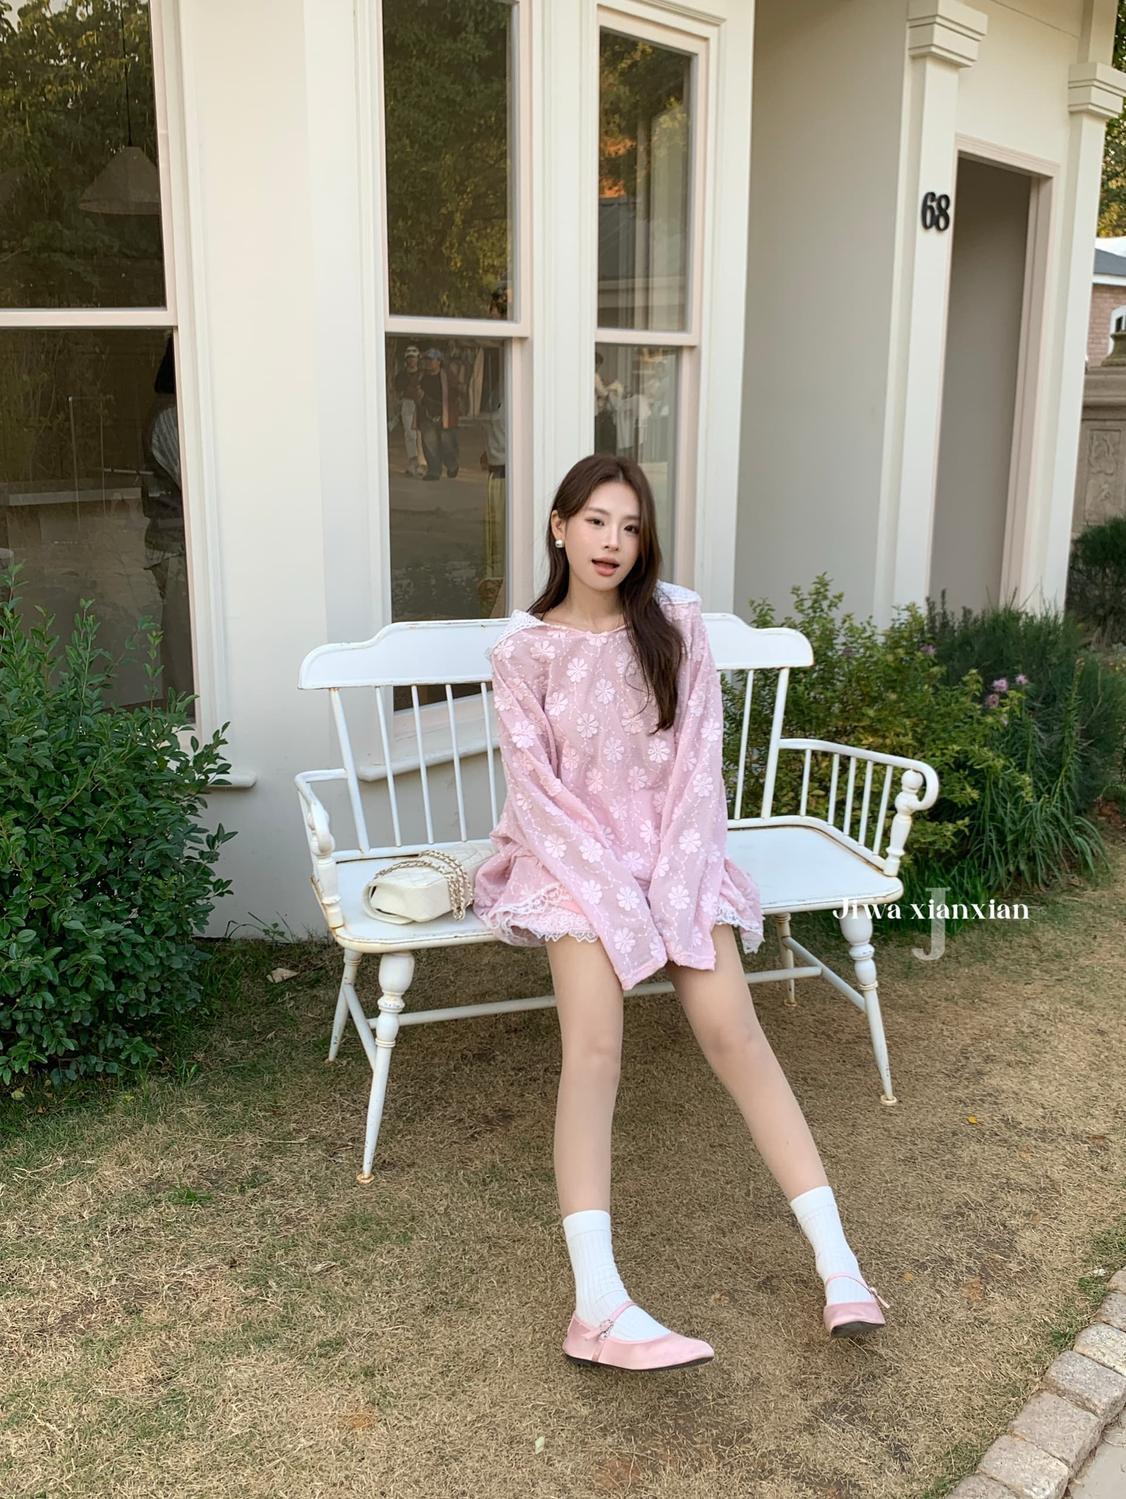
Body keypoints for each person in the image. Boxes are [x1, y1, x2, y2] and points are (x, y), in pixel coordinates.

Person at [472, 453, 889, 1372]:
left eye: (630, 526)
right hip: (573, 865)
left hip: (678, 855)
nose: (612, 542)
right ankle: (596, 1308)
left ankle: (841, 1265)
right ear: (558, 527)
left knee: (736, 1032)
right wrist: (622, 907)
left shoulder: (678, 625)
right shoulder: (522, 652)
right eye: (595, 521)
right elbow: (539, 795)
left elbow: (701, 771)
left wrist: (669, 888)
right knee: (594, 1050)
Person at [417, 347, 460, 480]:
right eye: (426, 360)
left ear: (439, 361)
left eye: (431, 360)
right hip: (427, 414)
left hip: (445, 415)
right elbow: (411, 390)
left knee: (448, 445)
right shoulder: (421, 376)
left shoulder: (447, 375)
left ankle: (452, 465)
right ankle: (434, 471)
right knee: (430, 444)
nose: (428, 363)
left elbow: (456, 391)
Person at [395, 344, 424, 477]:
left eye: (414, 357)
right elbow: (400, 390)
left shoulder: (423, 374)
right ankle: (413, 462)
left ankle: (422, 464)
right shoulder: (401, 375)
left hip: (421, 405)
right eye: (409, 358)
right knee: (410, 434)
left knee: (421, 435)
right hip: (407, 404)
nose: (412, 360)